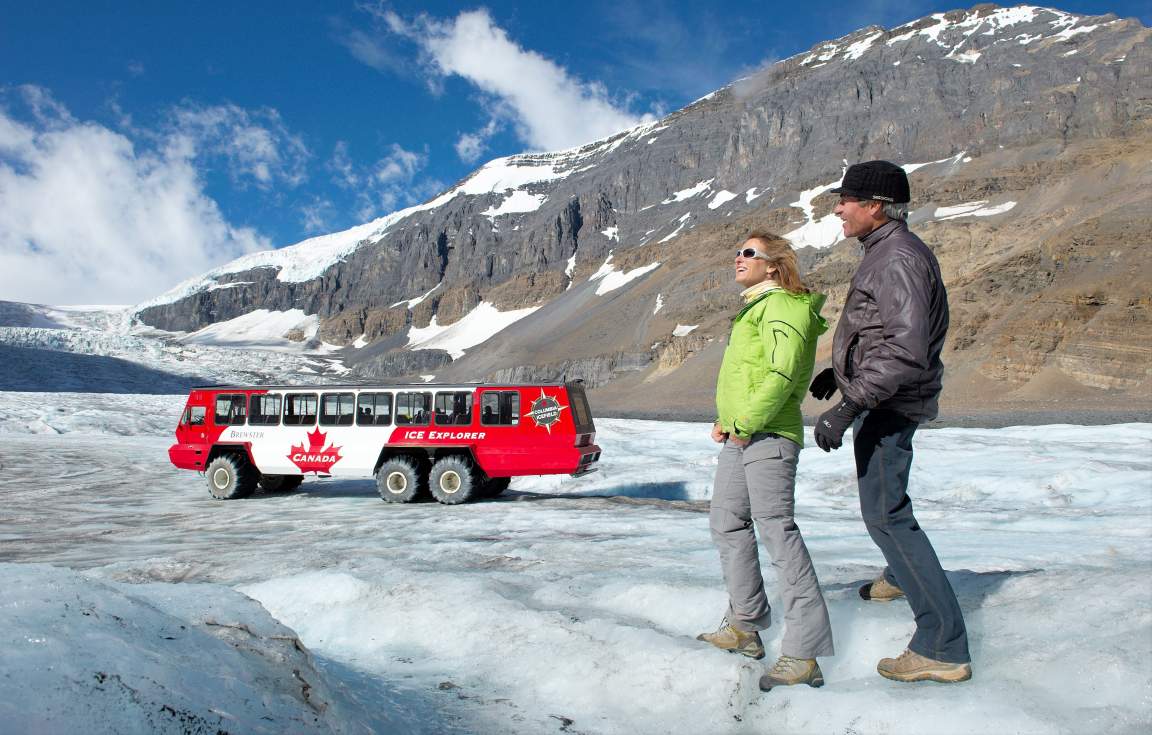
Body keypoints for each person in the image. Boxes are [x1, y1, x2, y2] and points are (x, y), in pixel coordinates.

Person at [809, 160, 972, 684]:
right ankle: (899, 577)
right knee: (887, 509)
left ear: (875, 205)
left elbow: (905, 351)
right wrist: (841, 370)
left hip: (889, 405)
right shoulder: (886, 251)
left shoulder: (897, 257)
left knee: (887, 515)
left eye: (847, 200)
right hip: (883, 398)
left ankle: (942, 646)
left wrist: (849, 404)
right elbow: (882, 332)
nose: (838, 208)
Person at [697, 232, 834, 692]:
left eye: (750, 253)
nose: (739, 257)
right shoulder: (756, 307)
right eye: (737, 251)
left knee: (777, 530)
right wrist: (728, 419)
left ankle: (804, 652)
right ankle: (746, 624)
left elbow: (781, 372)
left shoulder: (784, 306)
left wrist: (748, 419)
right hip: (743, 432)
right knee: (727, 522)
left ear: (774, 266)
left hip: (770, 434)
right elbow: (750, 373)